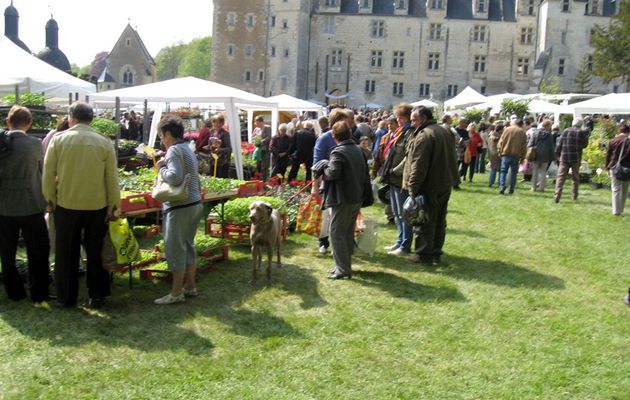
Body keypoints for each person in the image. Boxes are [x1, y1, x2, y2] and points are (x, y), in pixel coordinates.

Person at [42, 101, 119, 309]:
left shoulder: (58, 140)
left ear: (71, 118)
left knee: (66, 253)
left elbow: (48, 174)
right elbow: (112, 178)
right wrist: (113, 206)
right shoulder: (104, 142)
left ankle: (66, 298)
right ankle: (98, 295)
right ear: (91, 119)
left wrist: (50, 201)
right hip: (97, 206)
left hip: (66, 204)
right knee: (95, 252)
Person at [0, 105, 50, 302]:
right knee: (38, 250)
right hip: (31, 203)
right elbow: (41, 170)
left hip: (4, 205)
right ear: (29, 123)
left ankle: (14, 291)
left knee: (7, 251)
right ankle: (38, 292)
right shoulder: (34, 144)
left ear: (8, 121)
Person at [153, 116, 203, 304]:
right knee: (188, 246)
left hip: (180, 206)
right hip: (194, 203)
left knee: (175, 249)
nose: (161, 140)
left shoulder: (173, 150)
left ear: (167, 134)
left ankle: (175, 293)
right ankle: (189, 286)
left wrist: (161, 168)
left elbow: (174, 177)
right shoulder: (187, 148)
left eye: (161, 136)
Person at [402, 107, 459, 265]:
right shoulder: (443, 130)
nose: (412, 123)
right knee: (439, 219)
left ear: (424, 119)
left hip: (429, 185)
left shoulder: (425, 135)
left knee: (424, 219)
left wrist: (413, 188)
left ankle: (423, 255)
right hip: (443, 182)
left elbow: (418, 164)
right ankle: (435, 252)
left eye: (414, 120)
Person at [320, 121, 367, 279]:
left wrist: (323, 168)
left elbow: (332, 173)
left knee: (336, 233)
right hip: (356, 197)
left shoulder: (338, 152)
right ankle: (343, 266)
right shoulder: (358, 149)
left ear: (334, 136)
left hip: (343, 198)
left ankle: (343, 268)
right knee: (346, 232)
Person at [312, 108, 351, 254]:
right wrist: (315, 186)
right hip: (328, 182)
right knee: (327, 215)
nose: (348, 124)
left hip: (344, 182)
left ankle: (341, 243)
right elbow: (316, 164)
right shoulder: (325, 138)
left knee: (339, 216)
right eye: (345, 121)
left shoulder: (347, 136)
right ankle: (323, 242)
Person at [381, 103, 415, 256]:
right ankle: (400, 241)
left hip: (400, 178)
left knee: (403, 213)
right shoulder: (400, 132)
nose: (398, 120)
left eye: (400, 117)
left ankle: (405, 245)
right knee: (396, 212)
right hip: (393, 178)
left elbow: (408, 157)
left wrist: (395, 170)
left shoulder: (410, 133)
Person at [554, 118, 589, 203]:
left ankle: (557, 195)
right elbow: (585, 145)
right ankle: (574, 196)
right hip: (576, 157)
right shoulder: (581, 132)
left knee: (561, 177)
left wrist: (557, 154)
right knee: (575, 177)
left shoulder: (566, 131)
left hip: (564, 157)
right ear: (580, 125)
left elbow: (560, 143)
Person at [605, 123, 630, 215]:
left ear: (620, 131)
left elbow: (608, 155)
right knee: (624, 190)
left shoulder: (613, 141)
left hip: (614, 166)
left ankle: (616, 211)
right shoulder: (628, 142)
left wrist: (607, 167)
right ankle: (621, 209)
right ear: (628, 132)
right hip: (627, 168)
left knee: (615, 189)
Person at [497, 118, 527, 195]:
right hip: (516, 154)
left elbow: (501, 141)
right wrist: (523, 158)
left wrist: (500, 151)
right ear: (521, 124)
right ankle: (511, 189)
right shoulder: (522, 132)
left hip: (506, 153)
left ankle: (502, 186)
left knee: (503, 171)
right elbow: (524, 147)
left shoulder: (507, 129)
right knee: (514, 173)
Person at [528, 119, 556, 192]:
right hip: (545, 155)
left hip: (536, 154)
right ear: (548, 126)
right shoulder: (549, 135)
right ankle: (541, 187)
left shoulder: (535, 133)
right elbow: (551, 147)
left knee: (535, 171)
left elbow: (530, 144)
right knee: (543, 172)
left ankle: (533, 187)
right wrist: (553, 157)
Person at [206, 114, 231, 178]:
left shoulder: (225, 134)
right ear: (212, 123)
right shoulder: (211, 132)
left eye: (219, 122)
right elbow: (210, 144)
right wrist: (208, 147)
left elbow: (229, 148)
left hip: (222, 162)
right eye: (215, 122)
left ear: (222, 123)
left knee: (221, 179)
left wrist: (220, 150)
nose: (217, 124)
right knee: (213, 178)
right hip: (213, 160)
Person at [251, 115, 271, 180]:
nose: (256, 124)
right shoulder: (256, 129)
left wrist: (261, 141)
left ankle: (264, 180)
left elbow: (269, 137)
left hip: (265, 150)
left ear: (261, 122)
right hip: (258, 150)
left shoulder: (267, 128)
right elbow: (252, 137)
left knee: (264, 166)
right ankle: (258, 179)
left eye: (257, 123)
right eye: (255, 123)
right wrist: (254, 141)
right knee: (257, 166)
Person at [487, 123, 504, 187]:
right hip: (498, 153)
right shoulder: (500, 136)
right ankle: (499, 182)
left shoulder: (490, 135)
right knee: (500, 169)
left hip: (492, 153)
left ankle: (491, 182)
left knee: (493, 169)